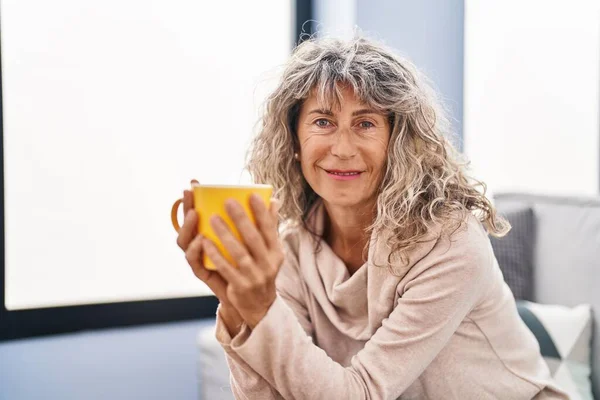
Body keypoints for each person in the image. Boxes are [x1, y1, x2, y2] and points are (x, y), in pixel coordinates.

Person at [176, 36, 568, 399]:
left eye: (365, 124)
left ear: (396, 142)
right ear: (293, 140)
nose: (342, 148)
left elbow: (361, 393)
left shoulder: (450, 241)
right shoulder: (293, 248)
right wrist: (235, 305)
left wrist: (262, 308)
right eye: (323, 122)